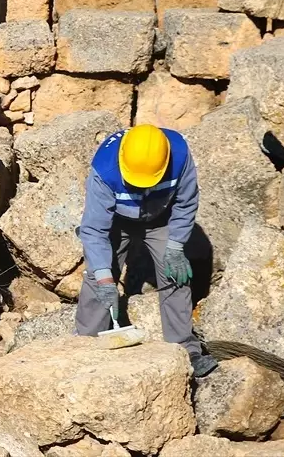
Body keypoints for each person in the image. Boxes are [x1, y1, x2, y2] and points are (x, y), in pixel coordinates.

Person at [75, 124, 218, 377]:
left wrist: (175, 246)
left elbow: (186, 204)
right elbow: (94, 230)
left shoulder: (179, 155)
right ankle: (85, 346)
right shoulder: (105, 167)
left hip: (161, 218)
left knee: (176, 273)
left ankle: (186, 350)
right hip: (117, 221)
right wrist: (105, 278)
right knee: (98, 279)